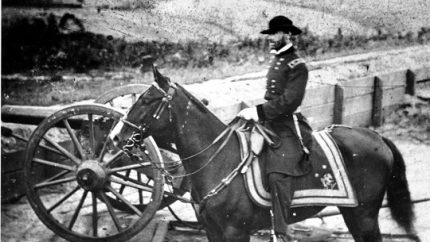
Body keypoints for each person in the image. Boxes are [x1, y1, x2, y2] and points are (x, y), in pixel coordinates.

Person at [237, 15, 311, 242]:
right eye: (270, 34)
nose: (270, 39)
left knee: (278, 174)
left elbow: (290, 101)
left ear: (287, 34)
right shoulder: (278, 59)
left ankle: (281, 233)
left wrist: (258, 112)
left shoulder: (298, 66)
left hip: (288, 125)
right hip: (269, 122)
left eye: (275, 34)